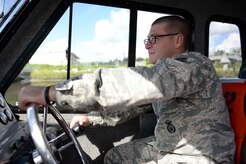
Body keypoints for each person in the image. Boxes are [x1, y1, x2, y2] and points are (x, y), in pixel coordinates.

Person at [18, 16, 235, 163]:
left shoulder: (195, 65)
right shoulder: (168, 79)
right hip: (167, 146)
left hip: (201, 156)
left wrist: (53, 93)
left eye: (153, 39)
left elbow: (134, 84)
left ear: (178, 39)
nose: (147, 45)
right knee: (116, 157)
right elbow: (133, 107)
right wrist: (91, 119)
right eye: (146, 40)